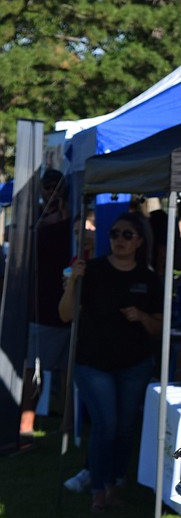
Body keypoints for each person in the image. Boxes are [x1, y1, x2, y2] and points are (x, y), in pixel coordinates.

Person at [59, 211, 163, 512]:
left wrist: (141, 316)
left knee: (124, 427)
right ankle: (99, 489)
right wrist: (73, 283)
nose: (119, 239)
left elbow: (158, 327)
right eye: (115, 233)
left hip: (134, 363)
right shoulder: (89, 270)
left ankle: (116, 482)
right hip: (92, 362)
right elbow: (66, 315)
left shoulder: (148, 278)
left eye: (127, 235)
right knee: (106, 424)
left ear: (139, 241)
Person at [19, 169, 74, 440]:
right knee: (35, 369)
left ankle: (66, 425)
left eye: (57, 188)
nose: (52, 193)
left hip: (67, 304)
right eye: (47, 187)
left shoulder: (70, 216)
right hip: (41, 307)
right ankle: (25, 426)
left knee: (66, 371)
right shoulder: (35, 219)